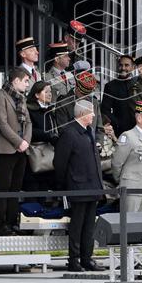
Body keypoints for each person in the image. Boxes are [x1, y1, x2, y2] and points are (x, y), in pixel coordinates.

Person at [52, 99, 105, 272]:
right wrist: (64, 185)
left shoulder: (88, 132)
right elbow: (60, 162)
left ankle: (87, 258)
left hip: (92, 186)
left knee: (89, 226)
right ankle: (74, 259)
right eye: (91, 112)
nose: (94, 115)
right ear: (82, 114)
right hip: (78, 187)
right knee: (77, 226)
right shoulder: (69, 133)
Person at [0, 67, 32, 236]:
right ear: (16, 80)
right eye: (26, 81)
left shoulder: (21, 97)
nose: (27, 84)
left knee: (16, 187)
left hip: (22, 149)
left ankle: (12, 222)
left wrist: (26, 142)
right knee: (4, 187)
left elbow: (28, 122)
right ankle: (2, 225)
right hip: (6, 148)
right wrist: (19, 142)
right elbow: (2, 123)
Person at [111, 99, 142, 213]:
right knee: (129, 220)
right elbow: (117, 162)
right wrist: (123, 180)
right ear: (139, 118)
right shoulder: (128, 136)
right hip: (131, 187)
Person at [101, 54, 136, 134]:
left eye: (126, 65)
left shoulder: (138, 84)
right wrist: (117, 124)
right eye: (120, 65)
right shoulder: (110, 86)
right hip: (119, 132)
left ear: (133, 67)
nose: (123, 68)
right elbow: (105, 110)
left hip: (138, 131)